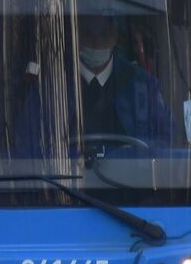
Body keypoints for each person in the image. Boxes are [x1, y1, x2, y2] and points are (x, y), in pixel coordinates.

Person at [13, 15, 172, 157]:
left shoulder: (143, 85)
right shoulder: (49, 88)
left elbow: (165, 140)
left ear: (115, 35)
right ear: (77, 37)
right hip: (63, 186)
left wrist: (136, 154)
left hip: (132, 186)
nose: (96, 42)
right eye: (88, 34)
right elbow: (27, 142)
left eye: (103, 34)